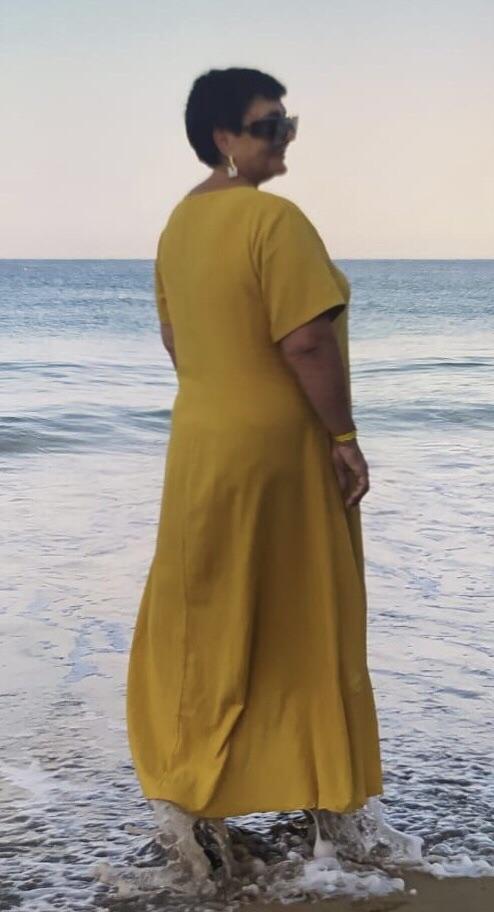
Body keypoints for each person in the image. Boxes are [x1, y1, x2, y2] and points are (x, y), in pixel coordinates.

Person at [126, 67, 382, 881]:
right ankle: (324, 808)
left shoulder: (178, 225)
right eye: (268, 125)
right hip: (278, 452)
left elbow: (176, 340)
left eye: (286, 123)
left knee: (208, 614)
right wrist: (342, 435)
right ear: (223, 139)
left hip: (201, 445)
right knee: (301, 611)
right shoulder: (274, 219)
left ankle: (193, 800)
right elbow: (305, 341)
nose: (283, 137)